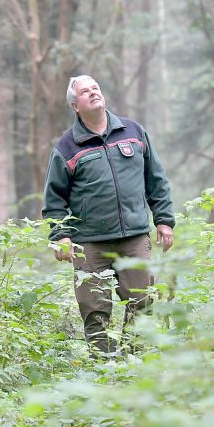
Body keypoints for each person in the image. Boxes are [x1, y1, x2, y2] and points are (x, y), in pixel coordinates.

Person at [42, 75, 175, 357]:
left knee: (142, 304)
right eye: (85, 92)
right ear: (74, 105)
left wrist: (163, 219)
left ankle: (136, 367)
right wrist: (61, 236)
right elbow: (54, 199)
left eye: (96, 88)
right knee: (95, 311)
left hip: (134, 238)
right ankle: (104, 369)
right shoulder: (66, 147)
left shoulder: (134, 131)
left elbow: (156, 180)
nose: (93, 93)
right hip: (89, 244)